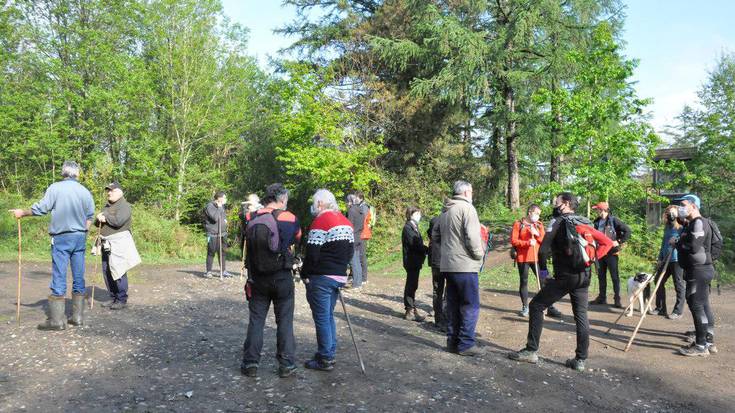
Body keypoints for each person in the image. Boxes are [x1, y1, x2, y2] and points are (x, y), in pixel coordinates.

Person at [509, 192, 613, 372]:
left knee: (536, 306)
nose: (554, 204)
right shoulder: (585, 222)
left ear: (565, 204)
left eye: (556, 201)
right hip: (584, 276)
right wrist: (591, 260)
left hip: (565, 277)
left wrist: (543, 273)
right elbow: (607, 243)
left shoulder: (558, 222)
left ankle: (531, 351)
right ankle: (580, 360)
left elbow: (542, 251)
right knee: (581, 315)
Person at [9, 161, 94, 331]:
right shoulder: (85, 191)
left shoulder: (55, 188)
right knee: (78, 274)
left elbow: (41, 208)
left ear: (64, 173)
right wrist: (83, 232)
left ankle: (56, 321)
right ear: (77, 174)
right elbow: (90, 217)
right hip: (79, 237)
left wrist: (22, 213)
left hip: (62, 237)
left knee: (59, 273)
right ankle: (77, 317)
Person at [241, 184, 302, 378]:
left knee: (256, 320)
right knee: (284, 321)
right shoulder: (289, 217)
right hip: (281, 276)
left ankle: (250, 363)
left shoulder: (251, 217)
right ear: (282, 199)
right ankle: (286, 364)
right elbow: (298, 238)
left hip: (257, 276)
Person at [302, 189, 355, 371]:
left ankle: (325, 358)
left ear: (320, 204)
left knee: (322, 317)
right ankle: (329, 351)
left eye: (314, 203)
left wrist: (304, 274)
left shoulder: (320, 221)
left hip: (322, 276)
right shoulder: (346, 221)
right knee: (328, 315)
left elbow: (312, 253)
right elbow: (350, 252)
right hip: (339, 275)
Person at [431, 180, 485, 356]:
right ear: (467, 192)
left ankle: (452, 341)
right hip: (465, 265)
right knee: (470, 305)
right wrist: (479, 254)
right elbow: (473, 237)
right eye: (472, 191)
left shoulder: (445, 210)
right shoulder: (467, 209)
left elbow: (435, 235)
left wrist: (448, 249)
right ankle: (466, 344)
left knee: (453, 304)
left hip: (447, 265)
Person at [672, 194, 717, 356]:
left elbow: (693, 246)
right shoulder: (693, 223)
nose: (680, 208)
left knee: (697, 306)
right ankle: (708, 341)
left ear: (694, 206)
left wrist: (676, 243)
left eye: (683, 205)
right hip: (700, 269)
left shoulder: (699, 222)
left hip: (698, 270)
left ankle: (700, 346)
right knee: (703, 305)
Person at [510, 205, 562, 319]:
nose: (537, 216)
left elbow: (544, 240)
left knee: (545, 281)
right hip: (523, 259)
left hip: (538, 259)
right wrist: (527, 242)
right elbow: (514, 241)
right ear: (530, 212)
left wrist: (537, 234)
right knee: (524, 282)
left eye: (539, 214)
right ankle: (525, 307)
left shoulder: (539, 225)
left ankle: (549, 306)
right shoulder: (518, 224)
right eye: (536, 213)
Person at [96, 182, 140, 311]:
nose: (109, 193)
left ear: (120, 192)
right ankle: (113, 296)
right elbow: (97, 222)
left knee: (118, 270)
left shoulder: (125, 206)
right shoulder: (107, 206)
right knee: (106, 270)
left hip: (119, 243)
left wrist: (105, 217)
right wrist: (98, 218)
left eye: (112, 191)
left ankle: (121, 299)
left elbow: (118, 221)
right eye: (108, 191)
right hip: (106, 243)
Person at [590, 201, 631, 308]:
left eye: (597, 209)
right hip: (600, 253)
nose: (596, 211)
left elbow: (627, 231)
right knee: (601, 276)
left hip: (612, 253)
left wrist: (618, 241)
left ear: (603, 210)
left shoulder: (613, 220)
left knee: (614, 276)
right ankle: (602, 297)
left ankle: (617, 299)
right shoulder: (596, 222)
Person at [651, 205, 685, 319]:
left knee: (678, 284)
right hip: (666, 259)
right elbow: (663, 243)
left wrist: (677, 241)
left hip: (676, 260)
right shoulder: (667, 227)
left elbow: (685, 240)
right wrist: (660, 257)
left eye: (673, 213)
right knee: (658, 281)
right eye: (668, 212)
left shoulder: (682, 227)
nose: (670, 215)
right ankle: (660, 308)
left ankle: (678, 311)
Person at [402, 206, 427, 321]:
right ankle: (409, 310)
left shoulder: (414, 226)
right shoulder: (408, 227)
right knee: (411, 284)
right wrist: (427, 249)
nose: (419, 216)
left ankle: (412, 308)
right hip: (411, 260)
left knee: (413, 284)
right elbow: (414, 243)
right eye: (417, 214)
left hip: (416, 260)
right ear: (411, 215)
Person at [204, 191, 231, 278]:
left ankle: (223, 271)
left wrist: (225, 220)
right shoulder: (210, 206)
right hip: (213, 234)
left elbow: (222, 216)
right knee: (211, 252)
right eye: (225, 197)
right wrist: (219, 208)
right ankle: (208, 272)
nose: (226, 199)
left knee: (222, 253)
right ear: (219, 198)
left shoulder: (222, 206)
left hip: (222, 234)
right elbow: (215, 218)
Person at [428, 211, 446, 330]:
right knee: (449, 291)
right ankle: (445, 320)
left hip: (435, 259)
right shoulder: (452, 220)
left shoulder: (434, 220)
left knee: (437, 291)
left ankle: (438, 319)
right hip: (448, 260)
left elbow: (430, 235)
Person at [345, 192, 365, 289]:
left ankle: (356, 284)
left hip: (352, 237)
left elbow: (349, 226)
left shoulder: (351, 211)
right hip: (358, 237)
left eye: (347, 202)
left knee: (353, 261)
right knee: (357, 260)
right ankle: (359, 282)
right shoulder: (360, 210)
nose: (346, 204)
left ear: (350, 202)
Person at [355, 191, 373, 283]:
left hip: (363, 233)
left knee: (362, 255)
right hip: (360, 233)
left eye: (356, 198)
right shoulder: (361, 207)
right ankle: (361, 277)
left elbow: (363, 221)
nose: (355, 199)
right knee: (359, 255)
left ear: (361, 198)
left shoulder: (364, 207)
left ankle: (364, 278)